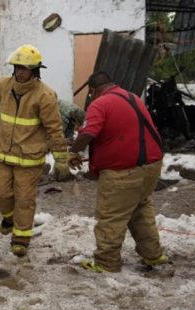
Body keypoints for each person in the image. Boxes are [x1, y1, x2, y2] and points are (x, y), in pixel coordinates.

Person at [0, 44, 70, 257]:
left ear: (35, 70)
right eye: (17, 67)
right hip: (1, 153)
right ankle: (9, 218)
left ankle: (21, 240)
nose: (20, 72)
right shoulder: (3, 86)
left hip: (29, 159)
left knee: (24, 199)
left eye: (24, 68)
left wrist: (61, 158)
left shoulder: (45, 95)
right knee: (0, 193)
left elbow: (54, 128)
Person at [69, 71, 169, 273]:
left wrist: (72, 151)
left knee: (111, 216)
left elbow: (88, 132)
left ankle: (106, 263)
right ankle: (153, 255)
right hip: (151, 167)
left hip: (123, 171)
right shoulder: (132, 97)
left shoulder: (100, 103)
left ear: (92, 91)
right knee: (140, 211)